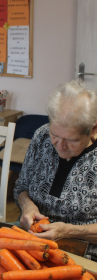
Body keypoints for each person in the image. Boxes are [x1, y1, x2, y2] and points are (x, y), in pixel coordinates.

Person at [14, 80, 97, 259]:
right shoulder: (41, 135)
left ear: (93, 130)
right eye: (55, 135)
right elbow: (21, 186)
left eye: (71, 140)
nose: (60, 146)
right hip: (33, 240)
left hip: (83, 251)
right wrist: (27, 205)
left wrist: (70, 231)